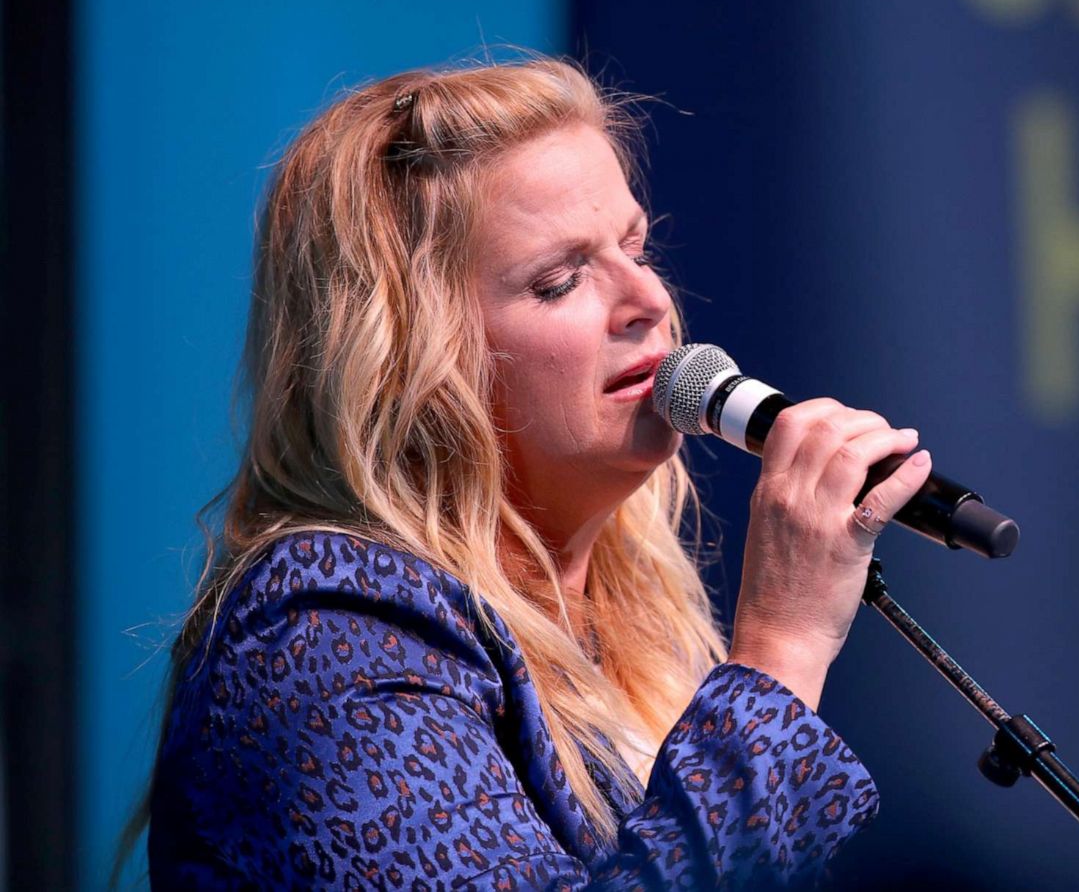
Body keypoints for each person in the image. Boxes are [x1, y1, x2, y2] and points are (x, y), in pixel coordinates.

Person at [139, 57, 934, 889]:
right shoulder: (325, 637)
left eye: (636, 246)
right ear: (406, 366)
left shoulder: (628, 633)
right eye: (560, 281)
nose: (647, 299)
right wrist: (784, 644)